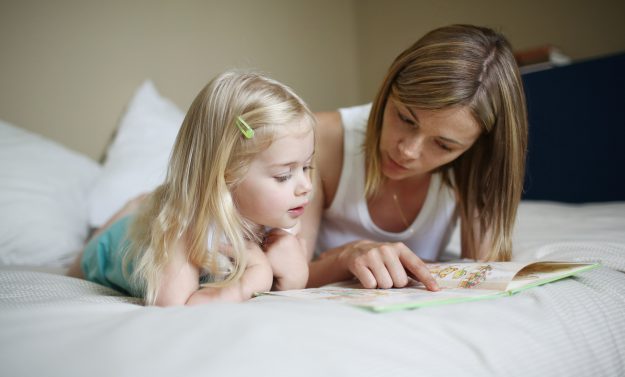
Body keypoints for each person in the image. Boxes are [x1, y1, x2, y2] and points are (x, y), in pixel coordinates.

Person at [299, 24, 528, 290]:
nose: (408, 150)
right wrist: (346, 256)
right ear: (388, 91)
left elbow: (486, 272)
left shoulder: (478, 161)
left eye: (443, 145)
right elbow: (286, 276)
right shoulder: (321, 137)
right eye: (405, 118)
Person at [67, 70, 315, 306]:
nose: (306, 186)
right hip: (113, 245)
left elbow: (280, 291)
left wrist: (295, 278)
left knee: (145, 204)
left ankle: (140, 203)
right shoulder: (187, 227)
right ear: (226, 175)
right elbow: (174, 307)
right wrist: (257, 274)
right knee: (92, 251)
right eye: (284, 175)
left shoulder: (282, 219)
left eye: (306, 168)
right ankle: (129, 210)